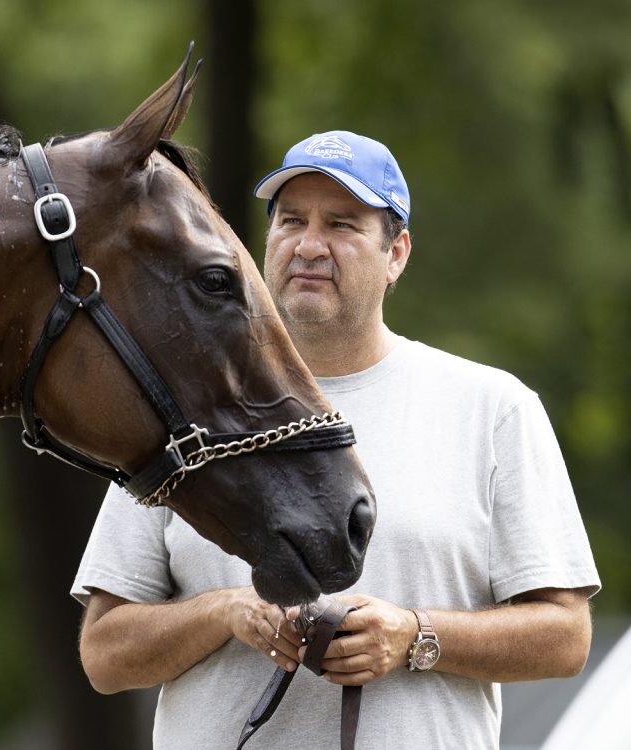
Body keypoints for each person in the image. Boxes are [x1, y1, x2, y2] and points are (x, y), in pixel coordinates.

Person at [70, 130, 601, 749]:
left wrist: (414, 634)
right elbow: (103, 654)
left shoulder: (493, 409)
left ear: (397, 253)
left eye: (343, 225)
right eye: (291, 220)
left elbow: (566, 637)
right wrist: (224, 613)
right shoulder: (184, 403)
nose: (309, 245)